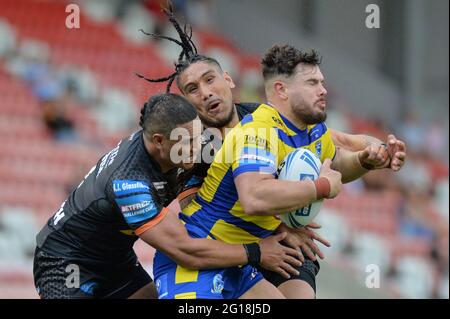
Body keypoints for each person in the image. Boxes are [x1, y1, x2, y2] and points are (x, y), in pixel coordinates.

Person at [137, 8, 406, 299]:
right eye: (192, 89)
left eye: (210, 80)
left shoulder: (264, 118)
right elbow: (196, 204)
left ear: (228, 80)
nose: (205, 92)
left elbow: (341, 144)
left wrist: (376, 152)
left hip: (269, 239)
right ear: (186, 101)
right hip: (225, 244)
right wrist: (286, 219)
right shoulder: (190, 144)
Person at [33, 93, 302, 299]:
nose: (198, 149)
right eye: (188, 143)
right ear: (159, 141)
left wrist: (284, 218)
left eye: (198, 138)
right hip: (66, 264)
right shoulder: (130, 183)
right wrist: (255, 252)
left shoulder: (180, 141)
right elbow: (186, 252)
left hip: (115, 259)